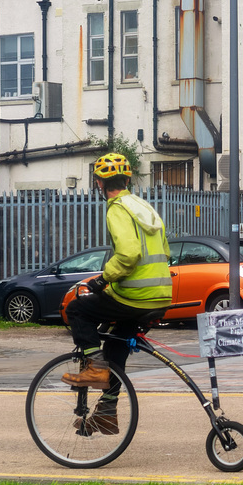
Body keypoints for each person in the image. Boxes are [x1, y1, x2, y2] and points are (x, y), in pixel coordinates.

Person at [62, 152, 172, 433]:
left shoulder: (117, 208)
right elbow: (166, 253)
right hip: (161, 295)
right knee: (117, 343)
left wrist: (103, 279)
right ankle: (107, 412)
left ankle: (95, 367)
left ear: (99, 183)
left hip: (134, 295)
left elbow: (129, 254)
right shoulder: (142, 206)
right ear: (127, 179)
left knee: (76, 307)